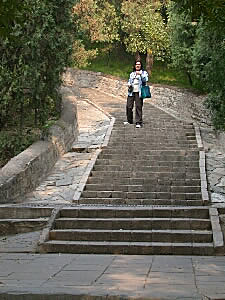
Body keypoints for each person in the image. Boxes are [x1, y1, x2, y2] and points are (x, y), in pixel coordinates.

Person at [124, 60, 148, 128]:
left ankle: (138, 122)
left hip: (139, 92)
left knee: (138, 107)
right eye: (136, 64)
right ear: (134, 66)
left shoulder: (144, 73)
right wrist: (128, 84)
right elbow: (129, 81)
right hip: (131, 92)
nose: (137, 65)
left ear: (141, 65)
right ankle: (129, 120)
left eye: (139, 64)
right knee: (129, 106)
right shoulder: (132, 73)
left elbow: (145, 80)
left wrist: (140, 74)